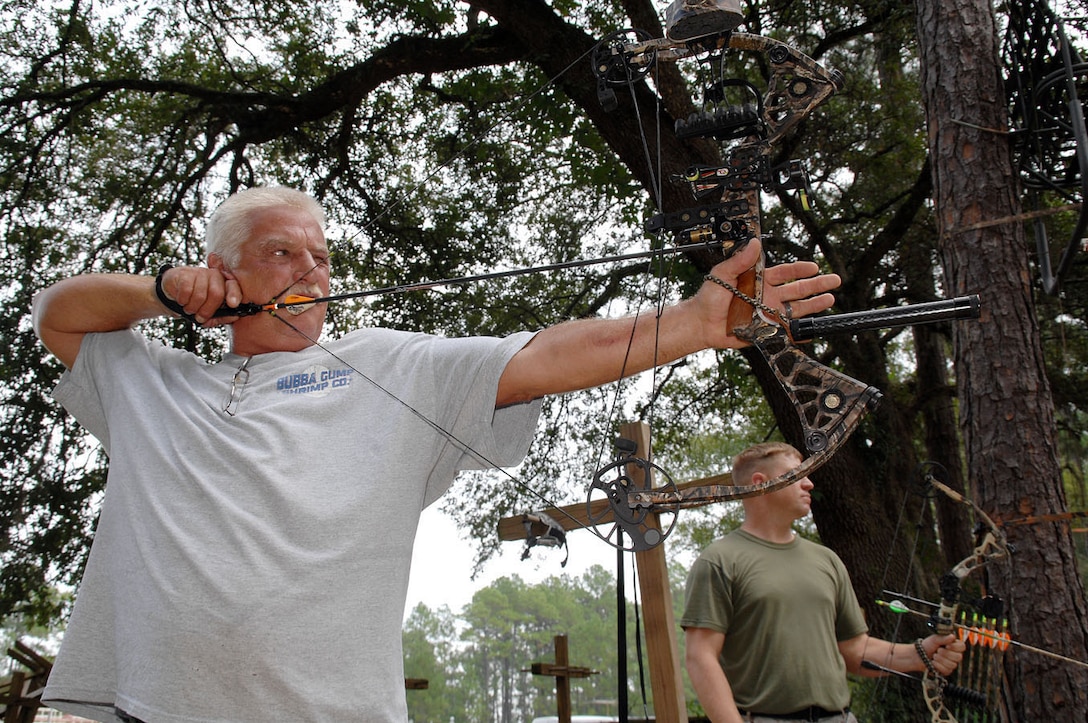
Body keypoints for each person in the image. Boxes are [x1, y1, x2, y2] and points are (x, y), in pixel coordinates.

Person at [32, 186, 840, 722]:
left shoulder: (386, 366)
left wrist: (694, 325)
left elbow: (542, 355)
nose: (314, 267)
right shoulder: (154, 382)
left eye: (321, 254)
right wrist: (162, 291)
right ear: (226, 270)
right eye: (284, 252)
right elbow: (57, 314)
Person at [681, 442, 967, 723]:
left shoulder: (826, 560)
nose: (809, 484)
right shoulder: (719, 560)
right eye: (797, 474)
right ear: (760, 482)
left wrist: (920, 654)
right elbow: (700, 657)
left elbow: (855, 650)